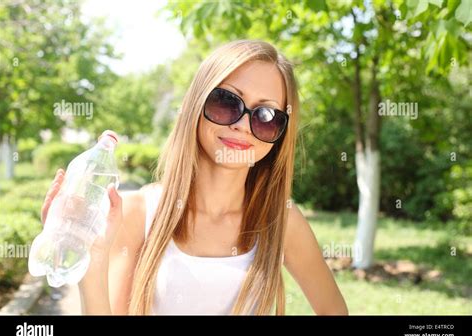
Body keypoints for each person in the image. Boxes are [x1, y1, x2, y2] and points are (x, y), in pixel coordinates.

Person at [41, 39, 348, 315]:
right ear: (196, 104)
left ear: (279, 134)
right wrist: (91, 259)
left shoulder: (282, 221)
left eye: (265, 116)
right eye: (228, 102)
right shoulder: (138, 213)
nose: (242, 125)